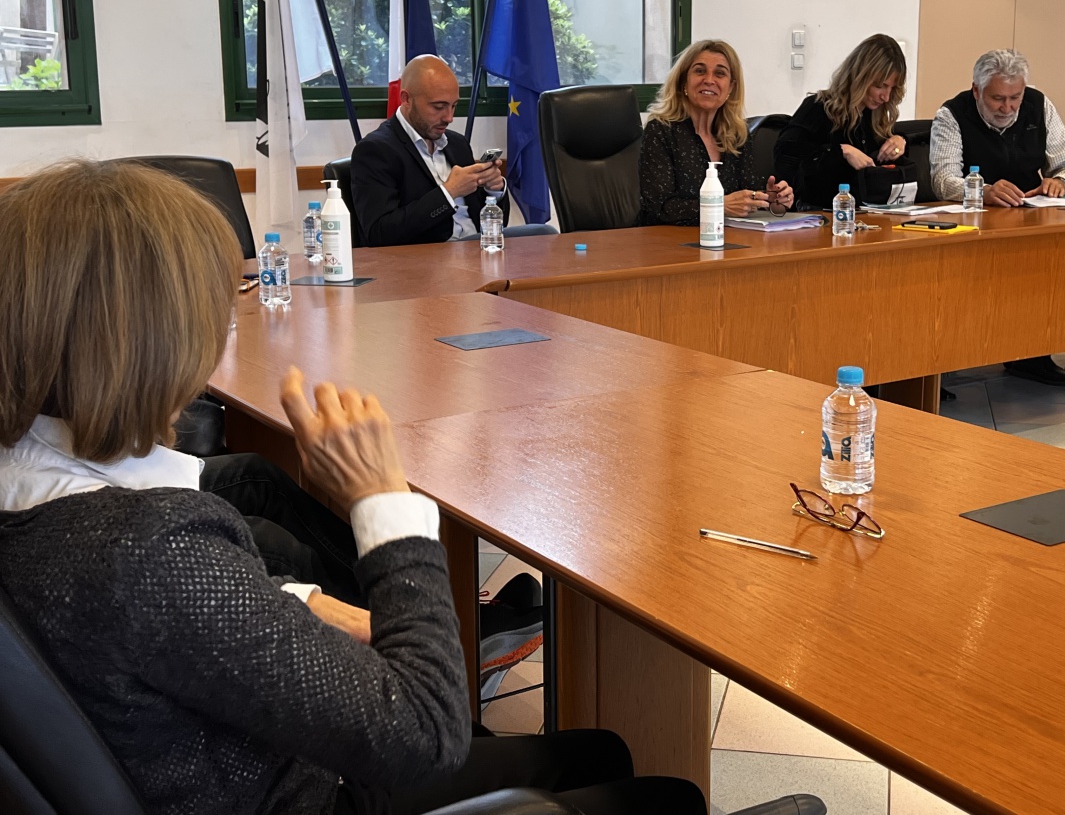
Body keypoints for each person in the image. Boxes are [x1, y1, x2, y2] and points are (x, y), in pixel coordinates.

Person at [0, 159, 705, 815]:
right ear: (154, 338)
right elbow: (428, 731)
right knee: (662, 797)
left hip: (249, 758)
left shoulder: (37, 492)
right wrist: (382, 503)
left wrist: (299, 602)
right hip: (312, 786)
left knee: (597, 754)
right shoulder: (151, 551)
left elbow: (180, 618)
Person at [931, 49, 1065, 386]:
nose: (1007, 108)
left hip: (1030, 221)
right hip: (973, 227)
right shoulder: (951, 114)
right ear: (977, 90)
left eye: (1014, 98)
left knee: (1045, 270)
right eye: (997, 99)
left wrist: (1061, 181)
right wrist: (982, 190)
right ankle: (944, 359)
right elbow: (943, 180)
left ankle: (1032, 354)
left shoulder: (1039, 105)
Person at [351, 54, 517, 247]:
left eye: (454, 106)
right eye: (439, 107)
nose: (449, 118)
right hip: (430, 257)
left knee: (541, 232)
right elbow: (380, 234)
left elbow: (494, 224)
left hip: (478, 248)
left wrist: (493, 190)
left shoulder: (457, 144)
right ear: (406, 99)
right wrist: (449, 192)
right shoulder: (375, 151)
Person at [639, 38, 794, 225]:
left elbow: (747, 195)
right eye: (699, 71)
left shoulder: (737, 135)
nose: (709, 80)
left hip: (726, 237)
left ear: (731, 87)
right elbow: (658, 207)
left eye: (720, 73)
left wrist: (770, 200)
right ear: (683, 82)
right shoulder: (660, 130)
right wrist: (718, 205)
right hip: (668, 238)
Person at [774, 34, 913, 208]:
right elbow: (787, 163)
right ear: (860, 77)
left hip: (864, 213)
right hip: (820, 214)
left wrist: (899, 142)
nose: (886, 97)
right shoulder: (818, 108)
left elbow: (879, 167)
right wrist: (841, 152)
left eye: (892, 88)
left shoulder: (872, 116)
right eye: (880, 86)